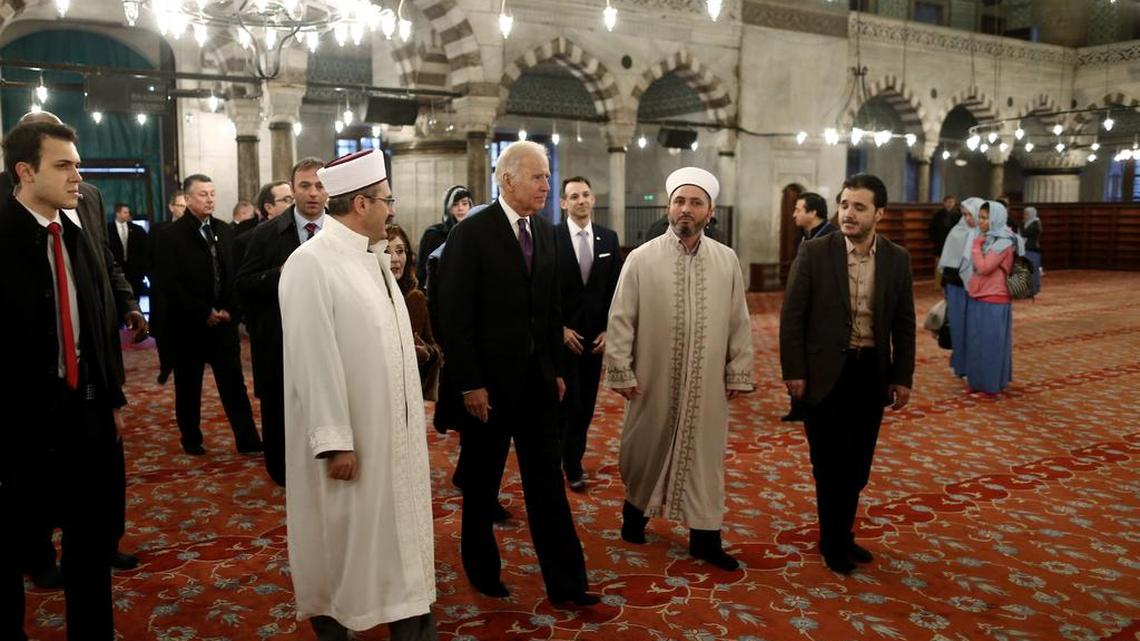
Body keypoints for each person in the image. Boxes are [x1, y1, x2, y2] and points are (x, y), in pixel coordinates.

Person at [280, 149, 437, 641]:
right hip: (352, 446)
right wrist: (335, 441)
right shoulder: (311, 264)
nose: (394, 210)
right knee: (345, 553)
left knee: (395, 551)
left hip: (393, 439)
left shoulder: (372, 261)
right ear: (362, 203)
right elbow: (312, 360)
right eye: (388, 200)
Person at [437, 141, 597, 605]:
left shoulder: (545, 232)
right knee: (483, 485)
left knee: (547, 484)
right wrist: (470, 383)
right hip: (486, 389)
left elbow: (549, 310)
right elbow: (454, 315)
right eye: (538, 177)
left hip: (537, 385)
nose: (548, 186)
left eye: (548, 177)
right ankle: (482, 571)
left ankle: (568, 586)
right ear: (506, 180)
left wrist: (556, 369)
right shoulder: (472, 232)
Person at [1, 111, 145, 587]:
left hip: (87, 392)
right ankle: (37, 555)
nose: (78, 178)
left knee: (93, 509)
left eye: (76, 165)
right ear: (25, 169)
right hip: (25, 403)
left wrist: (112, 394)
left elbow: (101, 279)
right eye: (63, 166)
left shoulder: (81, 216)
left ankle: (100, 549)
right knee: (29, 497)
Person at [604, 166, 755, 571]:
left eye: (696, 203)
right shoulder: (640, 259)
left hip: (707, 383)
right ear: (670, 207)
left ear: (710, 211)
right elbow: (621, 319)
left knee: (705, 459)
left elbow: (739, 320)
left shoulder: (727, 261)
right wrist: (620, 369)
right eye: (680, 201)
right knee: (643, 450)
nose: (686, 210)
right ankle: (634, 514)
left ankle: (706, 538)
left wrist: (738, 369)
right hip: (652, 377)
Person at [779, 173, 916, 575]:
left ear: (880, 214)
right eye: (844, 205)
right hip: (823, 376)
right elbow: (792, 318)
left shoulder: (896, 258)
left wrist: (902, 376)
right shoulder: (815, 252)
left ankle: (840, 531)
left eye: (859, 207)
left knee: (857, 467)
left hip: (869, 374)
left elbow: (905, 324)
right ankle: (833, 540)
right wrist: (795, 373)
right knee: (828, 464)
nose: (849, 214)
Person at [154, 174, 262, 455]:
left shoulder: (225, 231)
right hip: (189, 326)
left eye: (213, 193)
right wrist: (204, 311)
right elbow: (170, 283)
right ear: (187, 199)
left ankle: (248, 439)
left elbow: (233, 273)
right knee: (188, 387)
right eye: (203, 194)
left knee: (234, 385)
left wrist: (229, 310)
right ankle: (191, 439)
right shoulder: (169, 235)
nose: (210, 199)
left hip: (224, 324)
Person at [236, 159, 327, 486]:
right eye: (304, 186)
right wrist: (281, 274)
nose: (313, 193)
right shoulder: (265, 235)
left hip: (330, 340)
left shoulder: (342, 230)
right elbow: (243, 285)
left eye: (319, 185)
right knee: (280, 413)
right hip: (280, 341)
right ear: (293, 189)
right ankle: (284, 475)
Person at [555, 176, 622, 493]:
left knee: (586, 405)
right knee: (570, 404)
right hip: (563, 338)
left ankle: (571, 459)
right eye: (573, 196)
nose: (581, 200)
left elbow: (617, 291)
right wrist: (559, 329)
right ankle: (568, 463)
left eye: (585, 195)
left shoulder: (608, 240)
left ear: (593, 199)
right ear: (563, 203)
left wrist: (610, 330)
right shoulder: (552, 238)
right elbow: (543, 291)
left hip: (595, 340)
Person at [782, 191, 836, 423]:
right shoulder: (807, 235)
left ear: (813, 213)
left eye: (799, 209)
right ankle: (798, 406)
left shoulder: (831, 238)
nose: (794, 213)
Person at [964, 200, 1017, 395]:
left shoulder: (1004, 240)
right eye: (980, 217)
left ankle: (991, 383)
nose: (981, 221)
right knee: (977, 341)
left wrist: (976, 246)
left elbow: (985, 267)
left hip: (995, 298)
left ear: (996, 218)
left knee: (991, 344)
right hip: (979, 295)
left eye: (985, 218)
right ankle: (977, 381)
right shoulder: (988, 238)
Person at [387, 224, 442, 399]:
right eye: (387, 252)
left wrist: (424, 352)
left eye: (400, 251)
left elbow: (434, 348)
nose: (395, 259)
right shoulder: (366, 296)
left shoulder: (414, 298)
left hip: (407, 391)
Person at [938, 197, 983, 378]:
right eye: (964, 214)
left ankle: (973, 364)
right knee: (957, 326)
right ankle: (959, 363)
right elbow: (947, 260)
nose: (967, 218)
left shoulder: (984, 234)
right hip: (955, 287)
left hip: (977, 288)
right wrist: (944, 285)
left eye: (970, 214)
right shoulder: (956, 231)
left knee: (974, 328)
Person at [151, 191, 187, 385]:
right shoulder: (158, 230)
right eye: (181, 206)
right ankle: (165, 365)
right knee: (163, 331)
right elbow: (149, 257)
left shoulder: (194, 230)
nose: (184, 210)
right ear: (172, 207)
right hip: (162, 290)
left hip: (186, 291)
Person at [416, 185, 471, 285]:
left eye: (464, 204)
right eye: (455, 204)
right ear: (448, 208)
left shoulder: (472, 235)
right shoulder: (433, 234)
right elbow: (422, 272)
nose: (460, 208)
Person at [107, 202, 150, 297]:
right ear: (117, 213)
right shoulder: (108, 229)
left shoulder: (137, 229)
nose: (128, 215)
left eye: (128, 212)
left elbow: (143, 249)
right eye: (125, 212)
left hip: (134, 272)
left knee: (135, 295)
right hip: (116, 271)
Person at [929, 195, 959, 287]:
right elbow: (931, 229)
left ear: (954, 203)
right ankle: (937, 284)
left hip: (953, 246)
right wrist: (934, 240)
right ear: (944, 203)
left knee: (951, 266)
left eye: (952, 202)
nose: (950, 204)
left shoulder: (958, 215)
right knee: (939, 265)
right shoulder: (937, 215)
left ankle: (949, 284)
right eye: (948, 202)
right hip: (940, 244)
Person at [1021, 206, 1042, 292]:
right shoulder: (1027, 223)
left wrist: (1022, 224)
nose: (1024, 216)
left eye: (1026, 214)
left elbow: (1025, 233)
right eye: (1024, 214)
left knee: (1032, 270)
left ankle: (1033, 289)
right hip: (1026, 249)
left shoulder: (1035, 224)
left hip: (1032, 249)